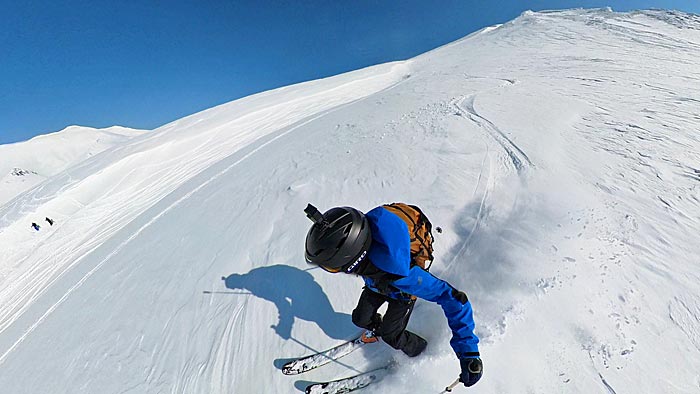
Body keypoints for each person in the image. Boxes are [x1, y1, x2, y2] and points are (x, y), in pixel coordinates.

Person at [303, 203, 483, 388]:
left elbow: (453, 299)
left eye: (334, 267)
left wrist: (469, 353)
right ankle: (378, 330)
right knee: (360, 319)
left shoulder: (404, 275)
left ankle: (419, 351)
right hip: (376, 284)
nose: (336, 271)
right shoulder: (363, 236)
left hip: (401, 295)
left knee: (391, 335)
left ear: (350, 258)